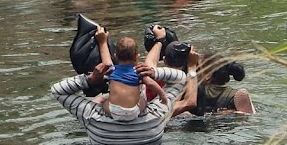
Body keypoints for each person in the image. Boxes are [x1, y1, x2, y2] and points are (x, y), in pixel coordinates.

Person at [51, 55, 188, 145]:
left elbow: (58, 90)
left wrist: (91, 79)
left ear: (110, 87)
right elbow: (181, 77)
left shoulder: (91, 116)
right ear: (140, 88)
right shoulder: (157, 114)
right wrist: (152, 72)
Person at [94, 26, 167, 120]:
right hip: (133, 113)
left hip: (113, 111)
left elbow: (106, 62)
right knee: (143, 100)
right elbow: (151, 83)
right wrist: (163, 96)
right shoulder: (138, 71)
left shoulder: (112, 70)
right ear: (137, 56)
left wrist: (102, 41)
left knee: (101, 100)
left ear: (115, 56)